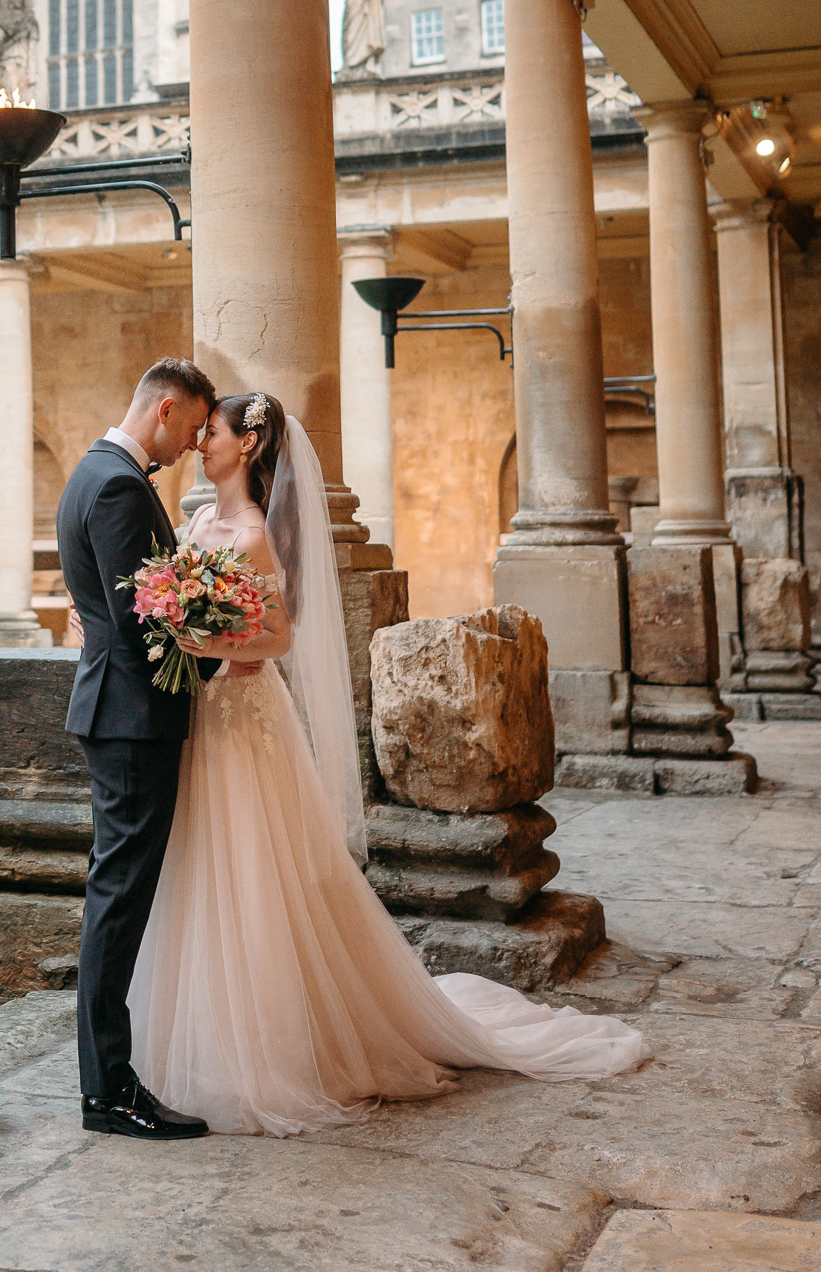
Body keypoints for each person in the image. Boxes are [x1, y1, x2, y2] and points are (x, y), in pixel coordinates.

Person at [128, 391, 646, 1136]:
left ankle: (260, 1051)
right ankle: (186, 1033)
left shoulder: (250, 533)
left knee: (247, 867)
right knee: (196, 863)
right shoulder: (197, 521)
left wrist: (200, 644)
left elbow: (276, 639)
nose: (197, 442)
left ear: (245, 444)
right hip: (200, 719)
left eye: (209, 431)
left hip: (243, 720)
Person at [56, 357, 219, 1140]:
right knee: (117, 903)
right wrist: (226, 652)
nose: (191, 444)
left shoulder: (91, 472)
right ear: (162, 409)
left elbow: (103, 605)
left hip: (117, 713)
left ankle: (108, 1081)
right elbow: (139, 621)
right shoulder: (119, 483)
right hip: (130, 718)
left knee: (115, 898)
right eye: (190, 428)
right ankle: (108, 1093)